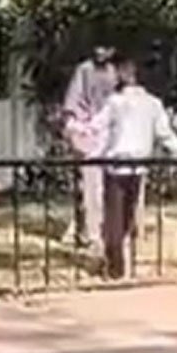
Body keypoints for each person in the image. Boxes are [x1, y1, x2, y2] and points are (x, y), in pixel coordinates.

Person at [90, 55, 177, 279]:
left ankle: (114, 265)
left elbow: (97, 126)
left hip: (116, 164)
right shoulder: (153, 104)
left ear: (123, 75)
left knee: (114, 216)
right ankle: (116, 260)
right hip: (139, 165)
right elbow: (165, 135)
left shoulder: (115, 102)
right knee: (126, 215)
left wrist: (78, 130)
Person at [63, 44, 119, 252]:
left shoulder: (114, 72)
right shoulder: (84, 70)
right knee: (89, 188)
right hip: (87, 134)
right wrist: (77, 131)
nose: (100, 52)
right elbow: (73, 105)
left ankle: (101, 231)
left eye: (105, 48)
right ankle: (90, 234)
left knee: (107, 188)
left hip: (109, 136)